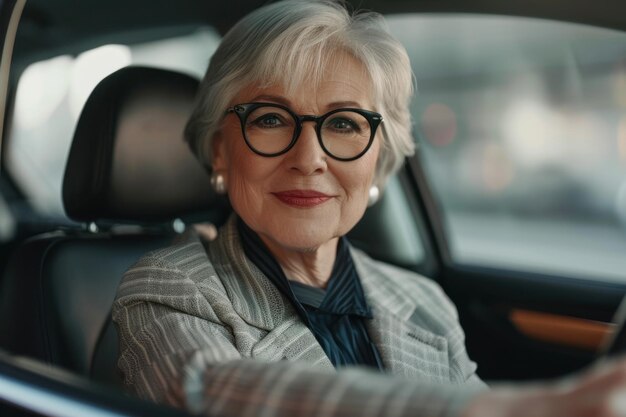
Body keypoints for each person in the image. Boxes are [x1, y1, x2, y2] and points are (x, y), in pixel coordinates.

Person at [112, 1, 626, 416]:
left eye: (343, 125)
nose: (308, 159)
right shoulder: (168, 288)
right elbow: (212, 392)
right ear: (221, 149)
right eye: (270, 119)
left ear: (378, 158)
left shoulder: (425, 302)